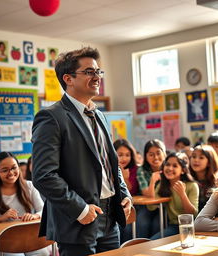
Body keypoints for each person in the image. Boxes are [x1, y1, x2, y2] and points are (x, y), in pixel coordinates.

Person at [32, 47, 132, 256]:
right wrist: (80, 209)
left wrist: (124, 193)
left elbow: (110, 165)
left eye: (98, 72)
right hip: (78, 219)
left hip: (111, 215)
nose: (96, 77)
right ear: (68, 78)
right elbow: (43, 175)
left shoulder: (100, 115)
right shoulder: (52, 117)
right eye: (89, 72)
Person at [0, 151, 48, 256]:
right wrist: (2, 218)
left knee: (42, 252)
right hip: (6, 241)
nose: (11, 173)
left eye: (14, 168)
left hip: (29, 237)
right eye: (4, 170)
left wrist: (34, 215)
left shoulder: (29, 186)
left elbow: (43, 210)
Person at [151, 152, 199, 239]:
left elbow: (193, 214)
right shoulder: (163, 185)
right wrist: (152, 183)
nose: (170, 168)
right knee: (151, 242)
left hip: (190, 226)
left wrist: (182, 195)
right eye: (167, 164)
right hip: (173, 226)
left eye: (175, 166)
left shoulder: (192, 185)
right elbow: (151, 207)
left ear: (183, 170)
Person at [136, 139, 166, 238]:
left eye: (158, 153)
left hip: (165, 206)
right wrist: (152, 181)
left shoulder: (169, 168)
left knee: (157, 225)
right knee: (142, 223)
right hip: (146, 206)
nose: (155, 157)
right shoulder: (142, 170)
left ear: (164, 153)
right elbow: (147, 195)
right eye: (151, 154)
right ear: (146, 156)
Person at [113, 139, 139, 243]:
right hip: (116, 207)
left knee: (128, 229)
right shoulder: (109, 169)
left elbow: (131, 192)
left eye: (127, 155)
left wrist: (126, 178)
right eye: (120, 154)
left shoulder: (135, 169)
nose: (124, 158)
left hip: (132, 206)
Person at [189, 145, 218, 211]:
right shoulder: (188, 180)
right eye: (194, 156)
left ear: (209, 162)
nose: (196, 160)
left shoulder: (217, 182)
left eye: (201, 157)